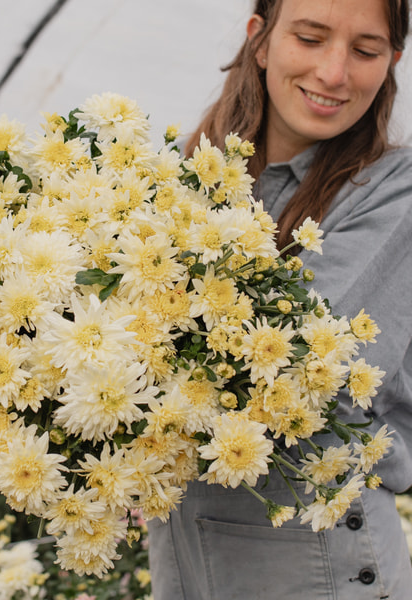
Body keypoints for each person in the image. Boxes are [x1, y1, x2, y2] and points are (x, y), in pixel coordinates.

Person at [147, 0, 412, 598]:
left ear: (391, 62)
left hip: (320, 560)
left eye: (365, 51)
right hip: (188, 557)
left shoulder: (395, 191)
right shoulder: (178, 179)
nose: (334, 73)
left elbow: (301, 360)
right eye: (311, 38)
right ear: (260, 41)